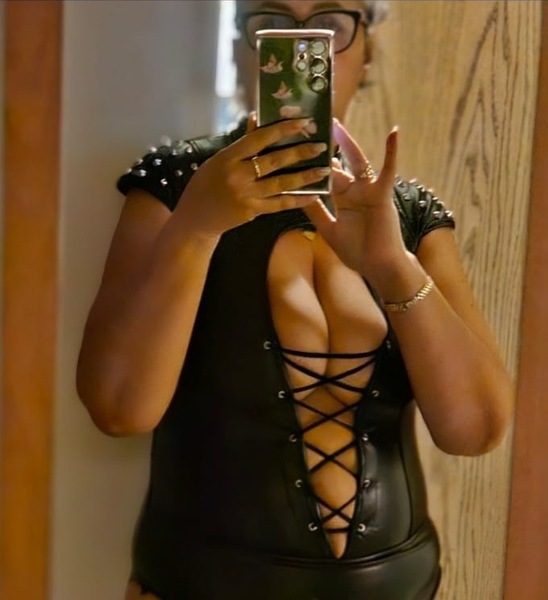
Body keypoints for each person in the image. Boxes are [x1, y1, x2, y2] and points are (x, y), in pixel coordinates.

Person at [76, 1, 514, 599]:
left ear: (367, 53)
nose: (309, 45)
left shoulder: (406, 215)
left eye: (332, 24)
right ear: (241, 49)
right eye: (272, 22)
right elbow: (118, 410)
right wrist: (197, 228)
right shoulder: (177, 188)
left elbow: (476, 431)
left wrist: (393, 269)